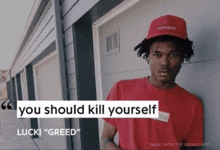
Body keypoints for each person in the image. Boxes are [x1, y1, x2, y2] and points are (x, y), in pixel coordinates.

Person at [100, 15, 204, 150]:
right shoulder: (121, 89)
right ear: (148, 56)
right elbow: (105, 139)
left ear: (183, 57)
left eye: (173, 55)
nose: (164, 63)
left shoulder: (193, 104)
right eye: (157, 54)